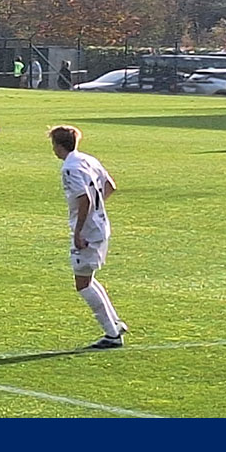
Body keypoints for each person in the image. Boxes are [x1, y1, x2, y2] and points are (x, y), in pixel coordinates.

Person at [49, 126, 128, 349]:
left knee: (82, 283)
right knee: (88, 279)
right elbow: (110, 186)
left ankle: (111, 334)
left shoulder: (70, 168)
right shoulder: (87, 160)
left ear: (58, 145)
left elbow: (84, 199)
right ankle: (115, 324)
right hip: (101, 225)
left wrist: (79, 231)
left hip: (88, 231)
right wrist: (98, 211)